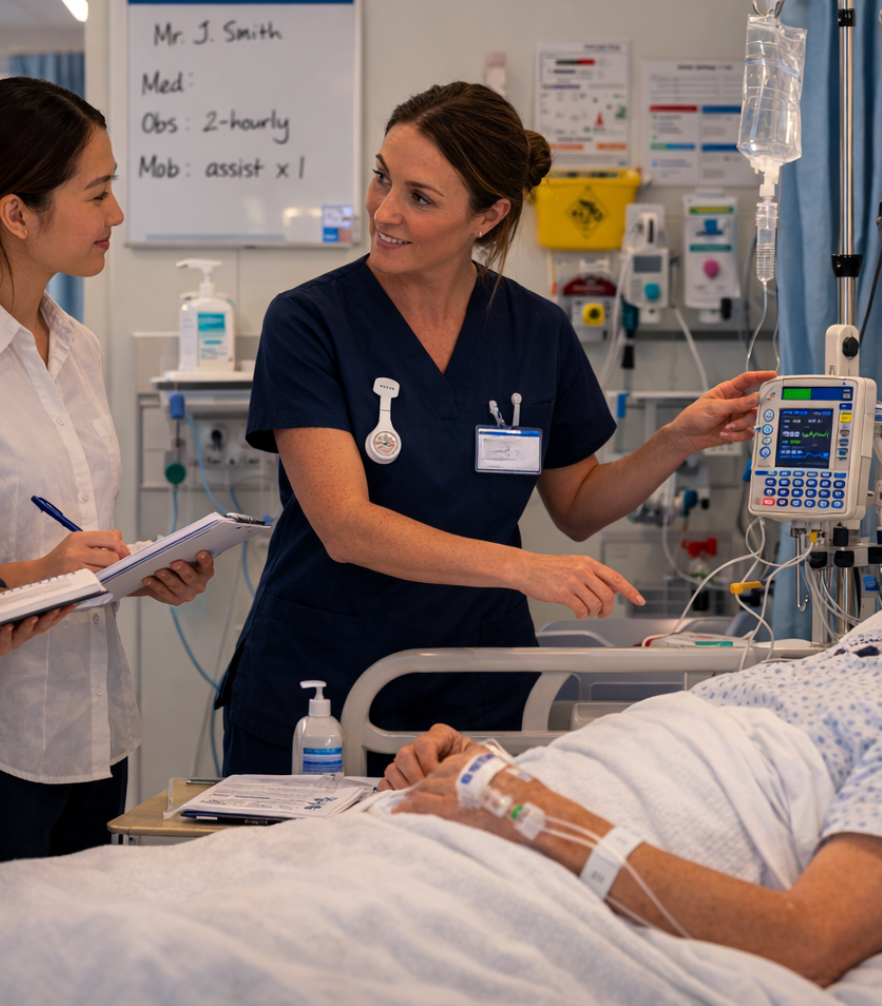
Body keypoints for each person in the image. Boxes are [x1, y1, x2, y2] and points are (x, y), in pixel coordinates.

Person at [381, 418, 882, 986]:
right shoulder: (863, 657)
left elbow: (809, 940)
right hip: (470, 833)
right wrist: (488, 769)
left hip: (509, 883)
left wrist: (522, 809)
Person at [219, 80, 773, 776]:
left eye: (420, 198)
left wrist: (678, 439)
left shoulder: (535, 331)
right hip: (326, 681)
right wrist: (522, 568)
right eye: (382, 178)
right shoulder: (309, 323)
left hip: (478, 681)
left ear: (488, 215)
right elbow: (345, 526)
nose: (384, 211)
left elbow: (576, 506)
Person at [0, 77, 216, 861]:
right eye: (97, 194)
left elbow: (71, 534)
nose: (115, 215)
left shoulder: (78, 349)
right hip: (7, 741)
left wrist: (142, 569)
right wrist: (35, 572)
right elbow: (38, 557)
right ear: (17, 213)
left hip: (94, 733)